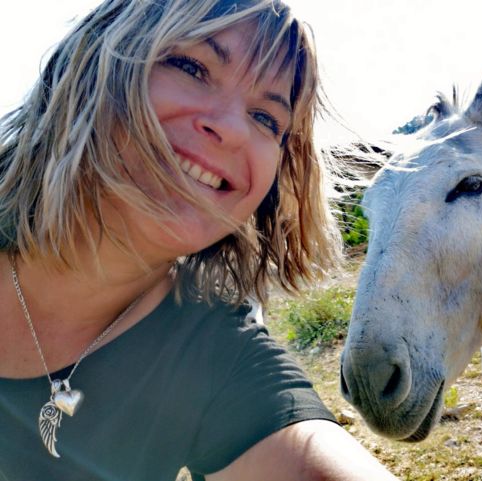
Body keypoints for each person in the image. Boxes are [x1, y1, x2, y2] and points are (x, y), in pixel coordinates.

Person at [0, 1, 399, 480]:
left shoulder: (218, 359)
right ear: (91, 66)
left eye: (266, 118)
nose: (231, 129)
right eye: (192, 67)